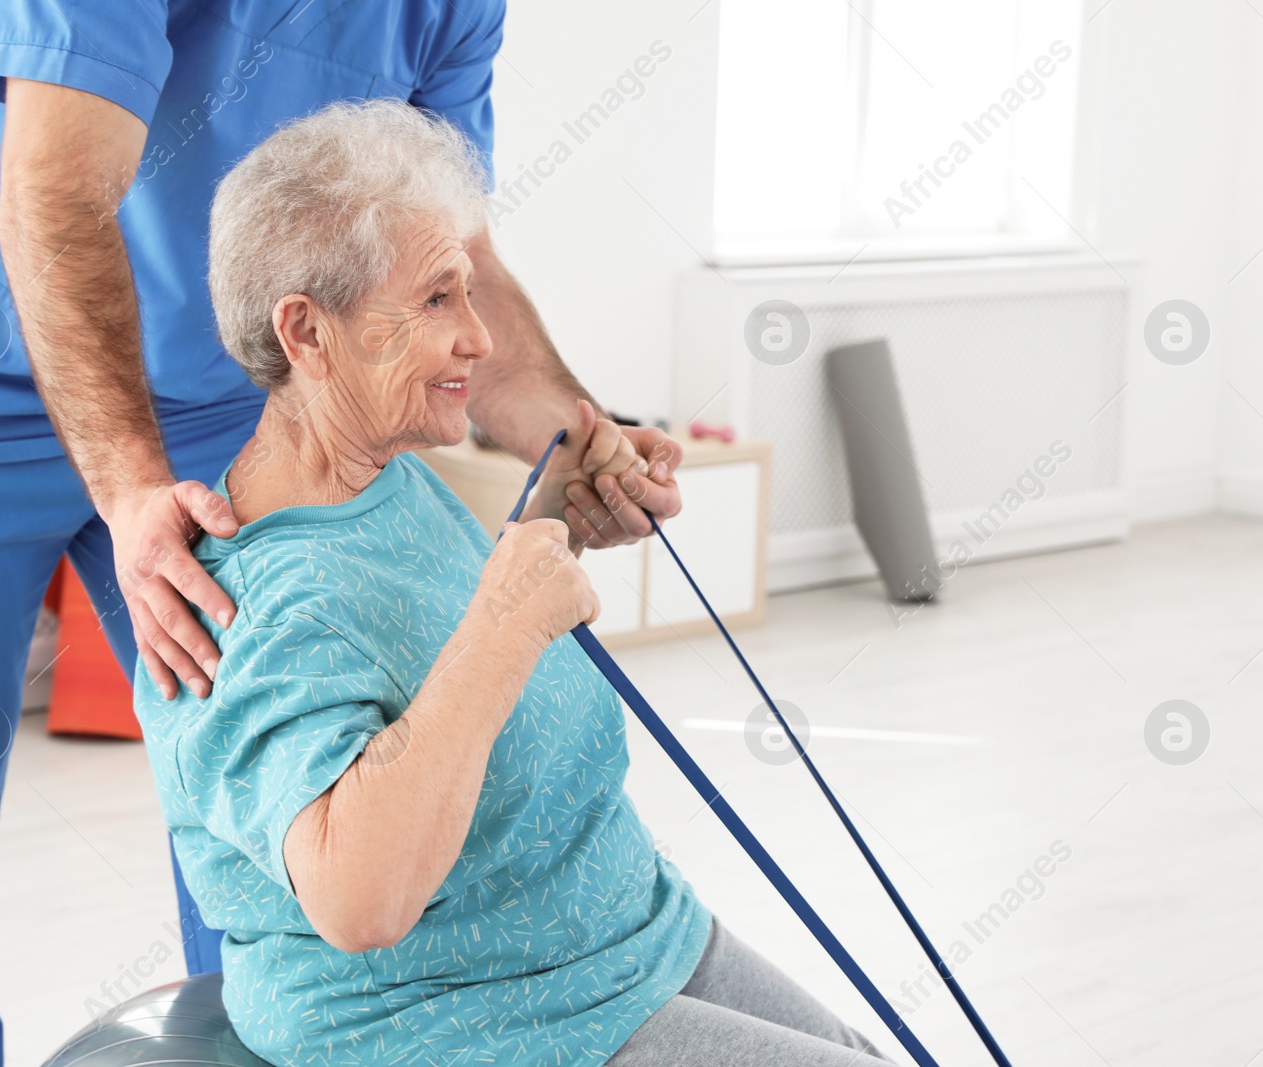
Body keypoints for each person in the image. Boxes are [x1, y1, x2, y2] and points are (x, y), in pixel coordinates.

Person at [0, 2, 683, 1064]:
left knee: (270, 790)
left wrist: (579, 434)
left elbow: (445, 250)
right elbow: (54, 194)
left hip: (205, 391)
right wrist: (134, 490)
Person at [132, 96, 896, 1067]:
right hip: (468, 1014)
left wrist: (552, 517)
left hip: (622, 928)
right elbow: (360, 895)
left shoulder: (388, 475)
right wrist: (506, 619)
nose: (480, 341)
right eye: (437, 299)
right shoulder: (246, 601)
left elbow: (429, 656)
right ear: (307, 331)